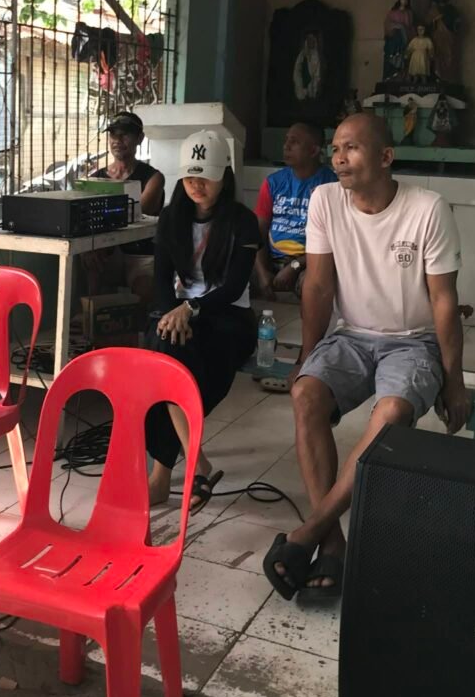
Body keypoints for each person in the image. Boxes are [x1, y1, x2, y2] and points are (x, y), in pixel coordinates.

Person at [262, 113, 470, 605]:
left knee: (392, 412)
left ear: (385, 157)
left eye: (351, 148)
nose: (338, 158)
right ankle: (332, 541)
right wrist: (308, 355)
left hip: (413, 340)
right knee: (306, 394)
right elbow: (317, 286)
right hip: (352, 335)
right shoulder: (325, 200)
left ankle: (309, 532)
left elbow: (444, 301)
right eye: (335, 148)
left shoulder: (427, 209)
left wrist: (454, 380)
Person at [146, 129, 259, 513]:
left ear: (224, 176)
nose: (196, 185)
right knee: (164, 347)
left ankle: (163, 477)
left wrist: (190, 310)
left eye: (206, 177)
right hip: (180, 313)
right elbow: (161, 280)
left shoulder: (243, 222)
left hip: (228, 316)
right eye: (190, 176)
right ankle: (196, 465)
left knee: (174, 359)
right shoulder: (171, 217)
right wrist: (170, 314)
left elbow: (233, 287)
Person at [84, 111, 165, 305]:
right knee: (89, 260)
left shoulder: (153, 177)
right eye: (113, 134)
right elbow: (85, 218)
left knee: (145, 289)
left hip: (141, 253)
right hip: (107, 252)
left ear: (140, 138)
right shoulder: (95, 178)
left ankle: (141, 324)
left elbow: (137, 213)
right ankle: (89, 318)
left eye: (125, 134)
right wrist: (90, 247)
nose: (117, 140)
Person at [254, 123, 336, 298]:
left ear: (313, 151)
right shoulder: (273, 182)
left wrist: (295, 266)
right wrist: (262, 272)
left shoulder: (331, 185)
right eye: (286, 140)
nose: (286, 146)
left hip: (311, 262)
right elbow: (258, 232)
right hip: (272, 259)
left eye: (295, 142)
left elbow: (335, 241)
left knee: (312, 283)